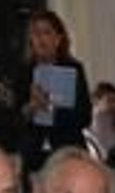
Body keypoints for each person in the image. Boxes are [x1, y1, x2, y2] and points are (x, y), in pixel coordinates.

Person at [13, 10, 92, 174]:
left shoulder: (74, 69)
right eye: (36, 33)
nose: (41, 39)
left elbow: (85, 117)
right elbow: (14, 118)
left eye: (47, 32)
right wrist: (32, 107)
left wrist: (51, 106)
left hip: (68, 150)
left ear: (58, 38)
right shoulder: (23, 71)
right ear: (30, 39)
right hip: (33, 153)